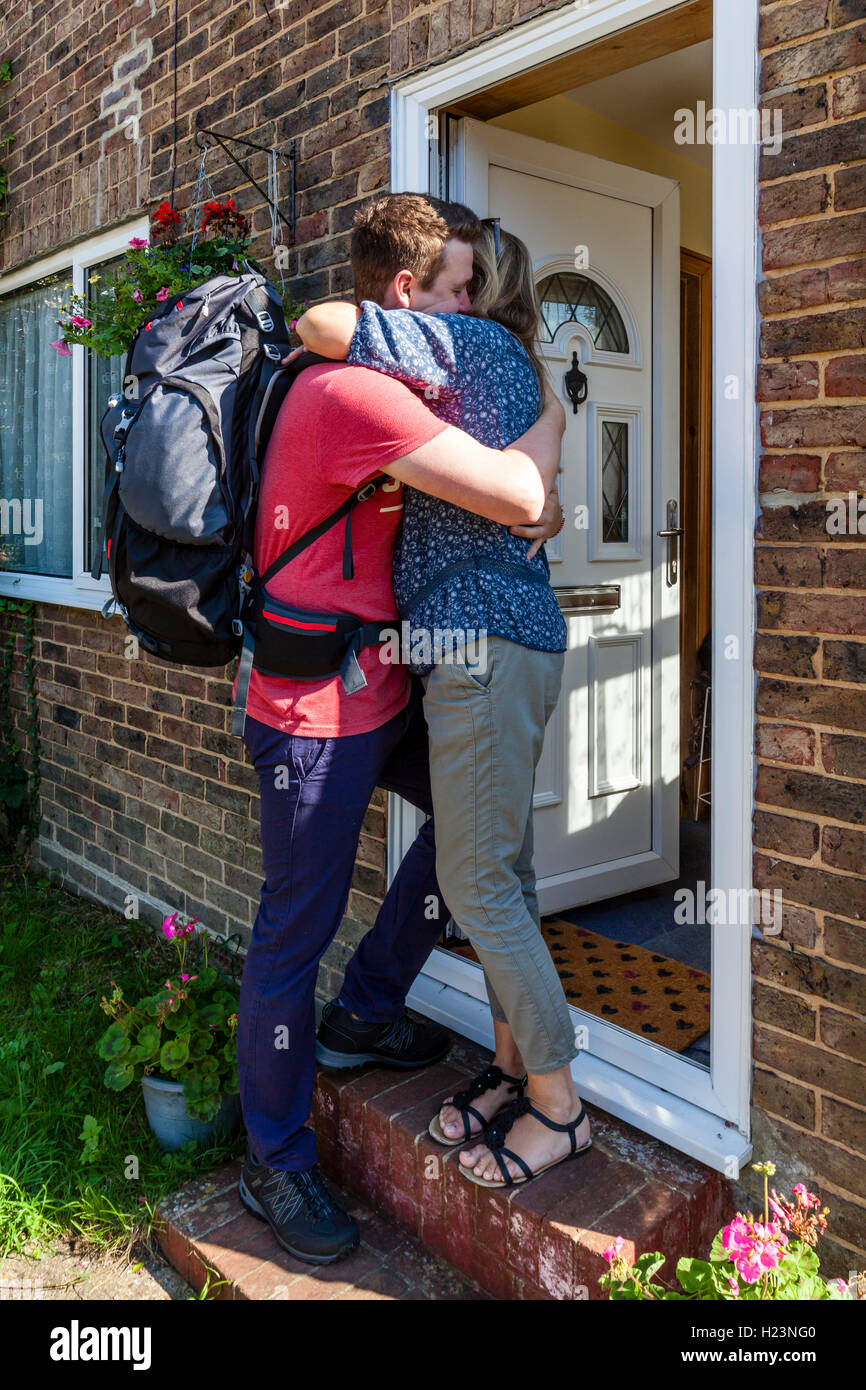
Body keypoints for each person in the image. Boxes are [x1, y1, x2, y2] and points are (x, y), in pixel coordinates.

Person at [233, 194, 565, 1265]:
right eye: (456, 294)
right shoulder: (354, 397)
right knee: (294, 931)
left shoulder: (403, 396)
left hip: (390, 694)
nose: (471, 314)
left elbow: (510, 507)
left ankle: (370, 1005)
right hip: (317, 719)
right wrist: (551, 420)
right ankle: (273, 1158)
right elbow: (518, 493)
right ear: (404, 300)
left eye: (476, 292)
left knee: (470, 846)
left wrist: (534, 485)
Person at [294, 221, 593, 1190]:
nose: (448, 299)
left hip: (477, 648)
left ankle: (558, 1108)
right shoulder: (518, 374)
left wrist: (397, 317)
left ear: (479, 292)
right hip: (510, 644)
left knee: (474, 886)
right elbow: (532, 485)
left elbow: (321, 320)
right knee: (500, 868)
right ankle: (511, 1070)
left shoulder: (464, 345)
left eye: (461, 283)